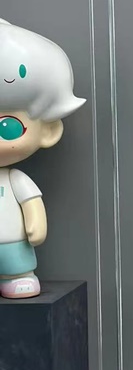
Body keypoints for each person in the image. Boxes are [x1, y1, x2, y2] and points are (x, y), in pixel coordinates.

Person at [0, 19, 85, 298]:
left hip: (13, 245)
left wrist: (36, 223)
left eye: (7, 127)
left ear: (48, 131)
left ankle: (18, 276)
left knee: (15, 264)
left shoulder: (16, 179)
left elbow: (31, 203)